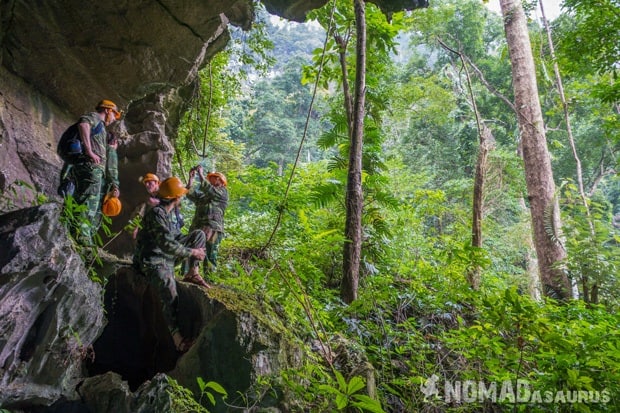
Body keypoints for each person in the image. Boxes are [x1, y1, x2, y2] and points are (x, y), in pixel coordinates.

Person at [133, 176, 209, 353]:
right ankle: (177, 339)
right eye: (180, 195)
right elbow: (166, 244)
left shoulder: (170, 213)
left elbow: (175, 238)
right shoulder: (157, 214)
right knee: (169, 288)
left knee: (198, 235)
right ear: (175, 198)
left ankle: (193, 271)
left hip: (167, 257)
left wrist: (192, 249)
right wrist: (192, 252)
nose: (182, 197)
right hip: (152, 260)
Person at [67, 99, 122, 245]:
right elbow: (83, 124)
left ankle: (77, 232)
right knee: (88, 202)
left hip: (92, 169)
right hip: (91, 167)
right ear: (108, 110)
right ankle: (81, 235)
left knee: (85, 200)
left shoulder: (102, 127)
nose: (113, 119)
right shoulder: (96, 117)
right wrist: (89, 151)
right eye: (114, 115)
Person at [186, 166, 229, 277]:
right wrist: (191, 179)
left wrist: (200, 174)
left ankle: (210, 279)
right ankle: (190, 274)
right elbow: (189, 193)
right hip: (199, 228)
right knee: (193, 251)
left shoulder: (222, 192)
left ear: (220, 180)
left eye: (213, 178)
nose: (210, 179)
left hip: (213, 229)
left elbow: (210, 190)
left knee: (210, 255)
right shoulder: (205, 195)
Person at [129, 173, 185, 240]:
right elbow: (141, 215)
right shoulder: (149, 200)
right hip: (162, 230)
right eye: (146, 183)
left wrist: (159, 202)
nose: (147, 185)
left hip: (172, 228)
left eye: (149, 182)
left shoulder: (165, 193)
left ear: (156, 183)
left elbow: (175, 203)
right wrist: (135, 227)